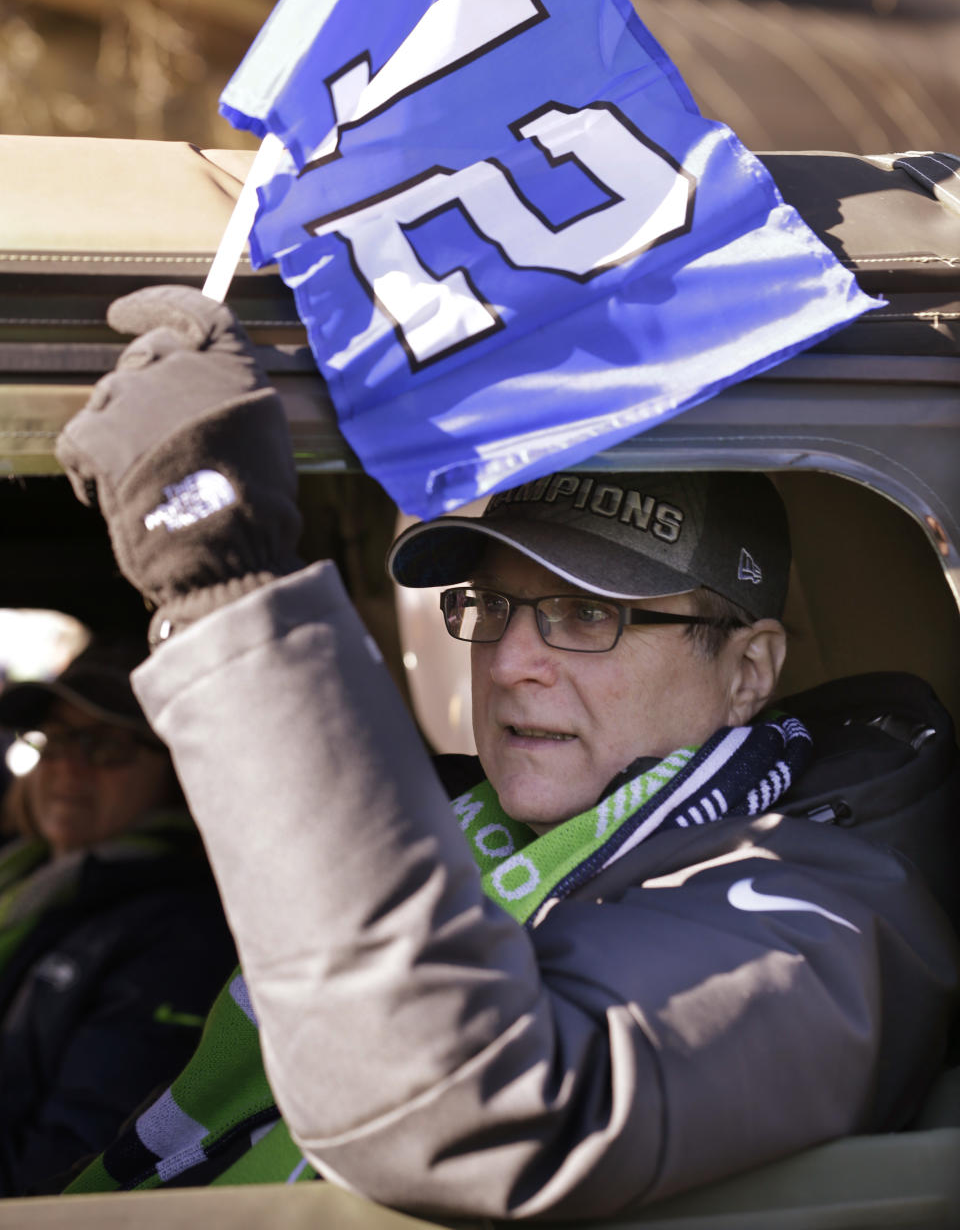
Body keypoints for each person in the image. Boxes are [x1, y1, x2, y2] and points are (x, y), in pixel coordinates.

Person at [54, 285, 959, 1215]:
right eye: (493, 606)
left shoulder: (822, 915)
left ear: (747, 670)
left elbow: (468, 1117)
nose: (509, 660)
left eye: (588, 613)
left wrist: (227, 597)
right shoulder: (446, 815)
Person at [0, 636, 236, 1196]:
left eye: (106, 747)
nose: (69, 768)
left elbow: (62, 1170)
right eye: (55, 740)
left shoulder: (180, 933)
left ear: (174, 770)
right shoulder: (23, 879)